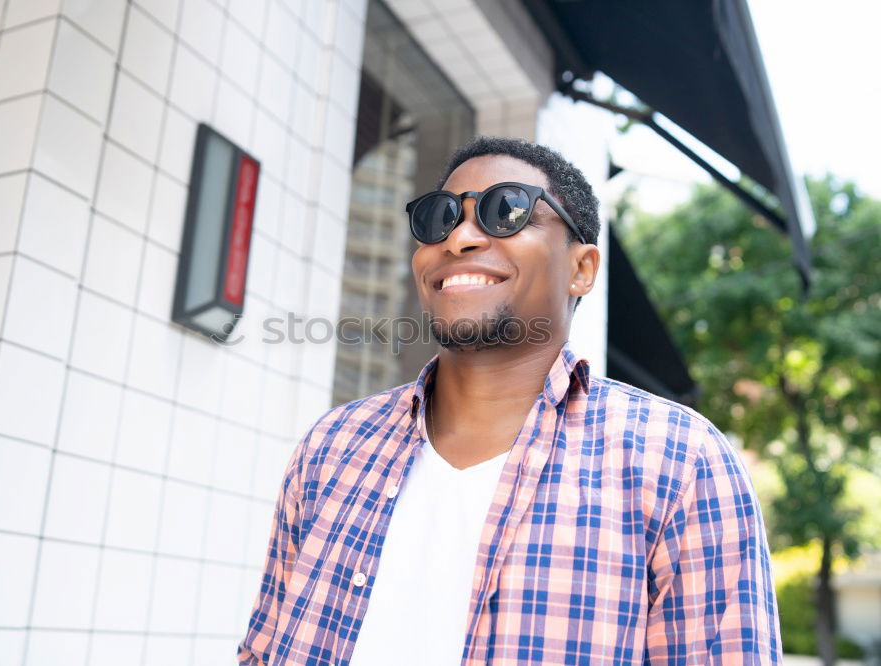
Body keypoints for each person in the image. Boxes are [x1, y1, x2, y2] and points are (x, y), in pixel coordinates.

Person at [237, 136, 782, 665]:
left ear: (582, 268)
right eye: (439, 218)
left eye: (506, 211)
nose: (459, 239)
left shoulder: (680, 461)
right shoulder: (333, 447)